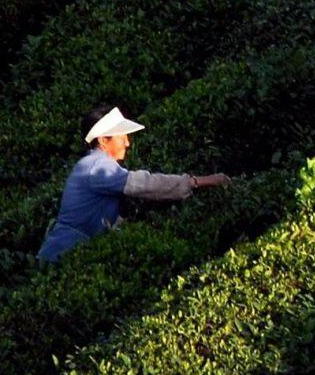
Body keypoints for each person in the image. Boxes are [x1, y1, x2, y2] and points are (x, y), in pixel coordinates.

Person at [37, 104, 230, 263]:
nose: (128, 143)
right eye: (122, 137)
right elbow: (146, 184)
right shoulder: (99, 167)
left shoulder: (90, 164)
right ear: (104, 140)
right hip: (63, 256)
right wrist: (197, 181)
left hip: (66, 253)